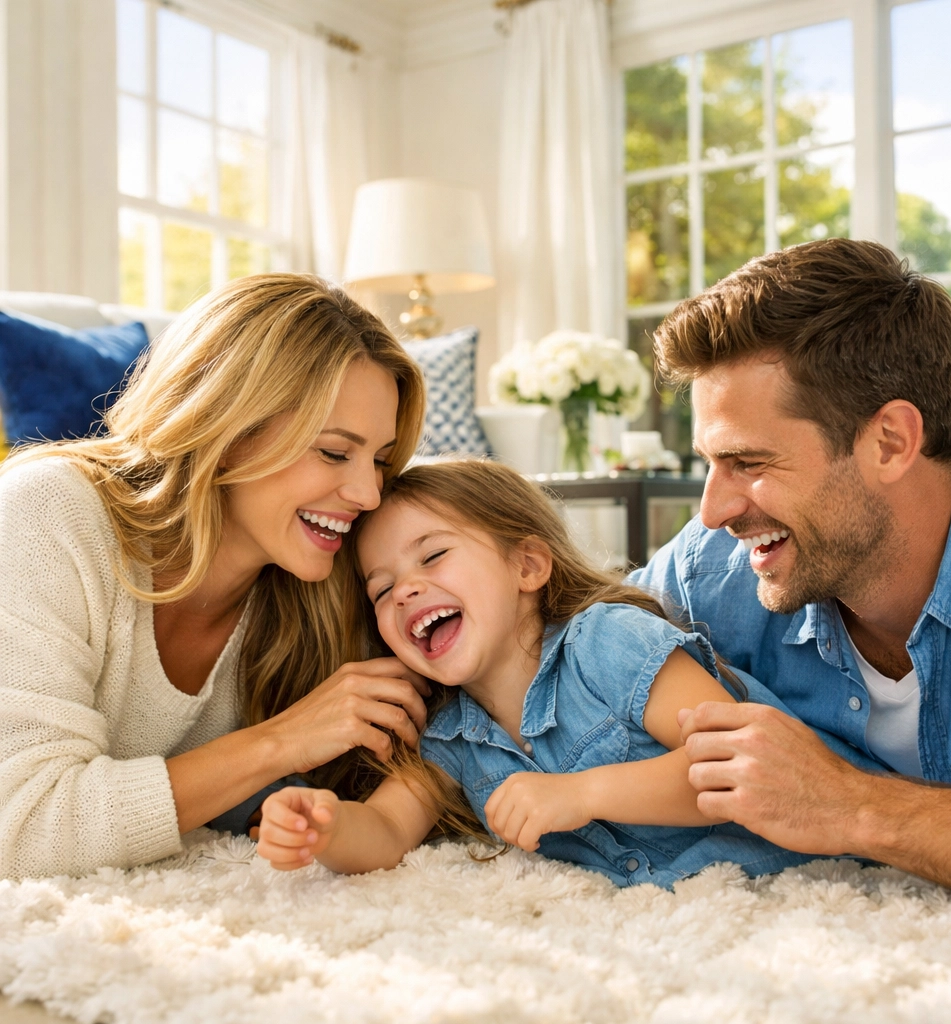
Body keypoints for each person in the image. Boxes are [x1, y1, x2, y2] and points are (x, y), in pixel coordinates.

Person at [255, 459, 876, 887]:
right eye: (382, 588)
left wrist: (580, 794)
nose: (406, 590)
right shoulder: (451, 737)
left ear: (527, 566)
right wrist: (325, 826)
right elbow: (389, 830)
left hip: (798, 873)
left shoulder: (607, 641)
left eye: (435, 554)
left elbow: (737, 767)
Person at [631, 237, 951, 907]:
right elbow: (554, 640)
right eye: (710, 463)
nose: (714, 510)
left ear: (891, 441)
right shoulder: (712, 568)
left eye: (749, 463)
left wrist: (850, 806)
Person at [0, 274, 431, 879]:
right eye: (334, 452)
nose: (366, 493)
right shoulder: (45, 514)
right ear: (229, 429)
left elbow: (461, 722)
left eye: (381, 461)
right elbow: (19, 828)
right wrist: (280, 742)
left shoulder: (318, 576)